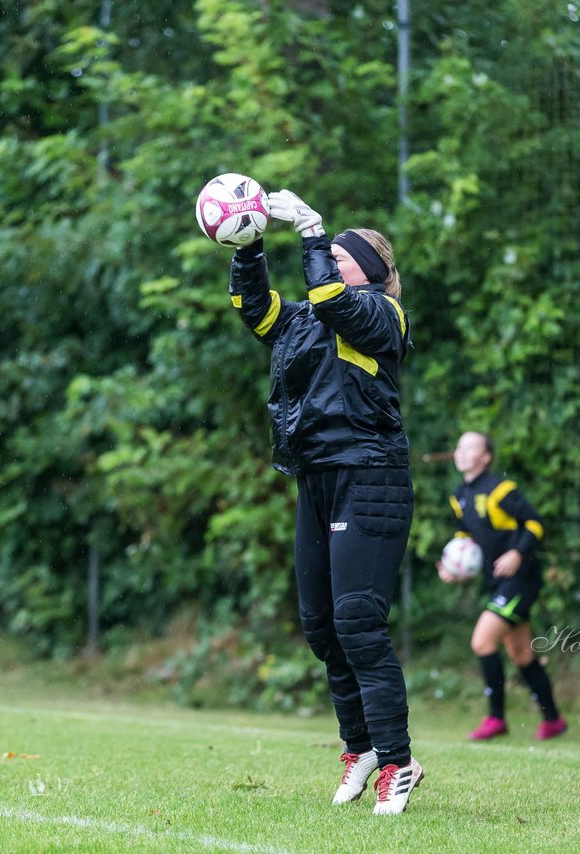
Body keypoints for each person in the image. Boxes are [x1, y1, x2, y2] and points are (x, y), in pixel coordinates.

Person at [227, 188, 422, 815]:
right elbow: (257, 311)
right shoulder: (308, 317)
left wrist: (312, 231)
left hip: (371, 476)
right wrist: (247, 242)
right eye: (326, 252)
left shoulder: (383, 314)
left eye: (341, 254)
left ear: (369, 268)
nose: (329, 260)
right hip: (316, 478)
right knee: (321, 626)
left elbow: (334, 302)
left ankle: (398, 761)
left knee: (360, 621)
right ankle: (360, 748)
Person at [437, 430, 567, 741]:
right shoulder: (460, 496)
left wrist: (516, 553)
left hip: (520, 579)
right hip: (495, 581)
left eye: (471, 448)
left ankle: (496, 718)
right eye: (459, 447)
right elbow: (465, 537)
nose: (462, 452)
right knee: (521, 653)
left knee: (482, 642)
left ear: (486, 457)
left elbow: (534, 523)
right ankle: (553, 720)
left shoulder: (501, 490)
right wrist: (453, 566)